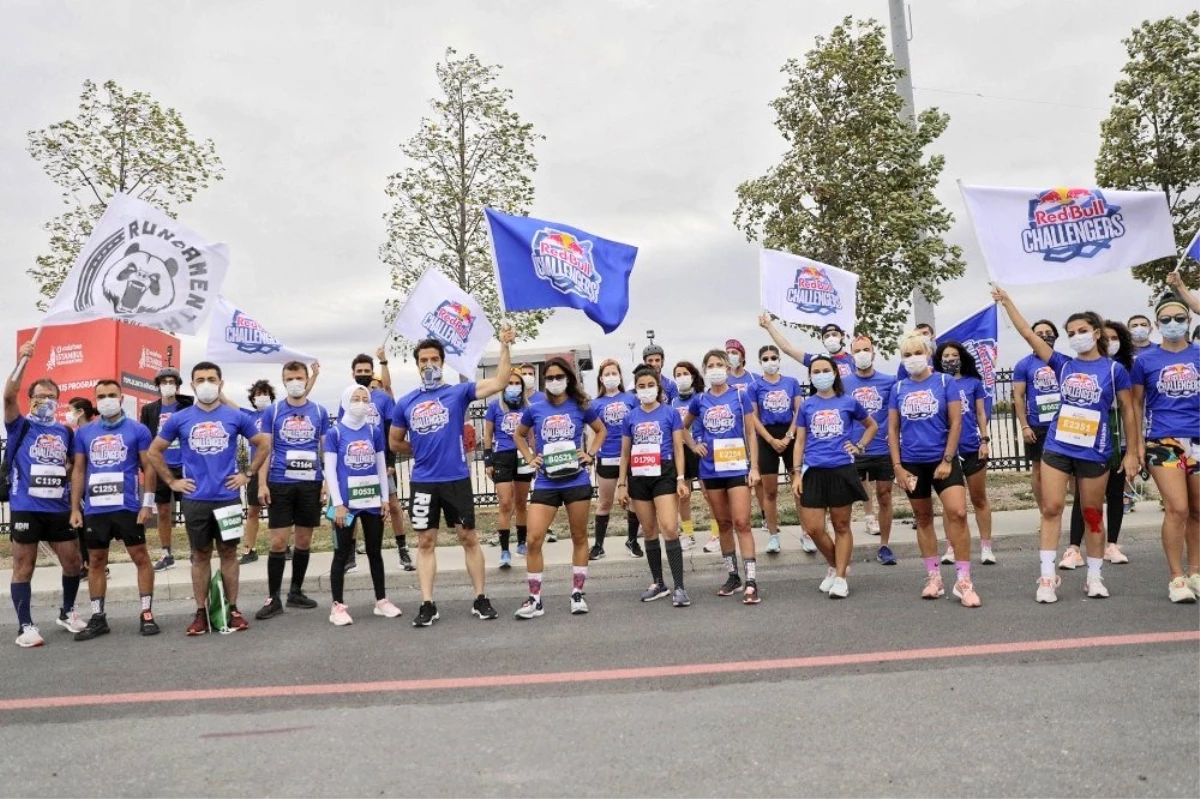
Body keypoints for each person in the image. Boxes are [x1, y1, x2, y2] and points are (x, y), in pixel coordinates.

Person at [992, 287, 1138, 603]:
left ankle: (1095, 578)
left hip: (1094, 451)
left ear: (1097, 333)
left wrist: (1133, 454)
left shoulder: (1115, 371)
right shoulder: (1064, 364)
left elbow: (1129, 411)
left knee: (1092, 514)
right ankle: (1047, 577)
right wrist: (1008, 303)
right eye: (1071, 332)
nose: (1076, 336)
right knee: (1051, 508)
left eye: (1082, 331)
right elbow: (1029, 336)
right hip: (1058, 447)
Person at [390, 328, 514, 627]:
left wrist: (504, 346)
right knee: (425, 542)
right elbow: (394, 442)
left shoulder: (458, 393)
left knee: (468, 538)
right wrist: (417, 449)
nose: (429, 364)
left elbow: (499, 382)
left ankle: (480, 598)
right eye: (423, 360)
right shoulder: (406, 402)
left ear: (442, 363)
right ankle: (428, 603)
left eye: (434, 359)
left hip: (456, 479)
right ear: (417, 365)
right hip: (423, 482)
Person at [148, 362, 271, 636]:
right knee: (199, 555)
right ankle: (201, 613)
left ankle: (233, 608)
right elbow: (154, 451)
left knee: (229, 553)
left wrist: (247, 474)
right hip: (195, 500)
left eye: (211, 378)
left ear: (220, 383)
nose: (206, 383)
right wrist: (172, 481)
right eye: (200, 379)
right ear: (192, 385)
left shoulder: (234, 416)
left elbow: (263, 443)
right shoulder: (180, 418)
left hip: (227, 498)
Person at [888, 330, 981, 607]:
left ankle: (964, 580)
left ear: (928, 354)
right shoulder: (898, 388)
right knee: (924, 518)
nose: (913, 358)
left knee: (958, 513)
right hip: (912, 463)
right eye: (907, 354)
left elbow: (956, 423)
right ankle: (933, 578)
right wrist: (898, 468)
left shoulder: (944, 382)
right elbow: (892, 430)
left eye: (918, 352)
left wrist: (947, 460)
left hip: (943, 461)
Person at [4, 341, 87, 646]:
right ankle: (25, 626)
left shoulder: (65, 432)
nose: (46, 401)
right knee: (24, 566)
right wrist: (23, 361)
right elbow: (8, 395)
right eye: (39, 397)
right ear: (30, 400)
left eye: (51, 397)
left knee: (73, 563)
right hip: (26, 506)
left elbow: (72, 467)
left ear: (59, 401)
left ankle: (67, 612)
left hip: (58, 508)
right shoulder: (19, 426)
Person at [513, 357, 607, 618]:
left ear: (568, 378)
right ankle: (534, 599)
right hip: (546, 482)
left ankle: (577, 593)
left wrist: (590, 454)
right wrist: (531, 457)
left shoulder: (580, 405)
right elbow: (518, 434)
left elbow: (601, 431)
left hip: (576, 480)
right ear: (545, 382)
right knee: (533, 539)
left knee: (579, 537)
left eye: (559, 377)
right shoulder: (536, 408)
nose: (554, 382)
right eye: (550, 378)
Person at [68, 380, 160, 639]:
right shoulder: (84, 433)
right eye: (101, 396)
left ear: (121, 399)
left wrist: (148, 503)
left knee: (140, 558)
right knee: (96, 561)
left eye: (111, 395)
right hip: (96, 509)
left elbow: (149, 467)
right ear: (95, 401)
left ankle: (147, 614)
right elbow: (78, 470)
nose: (106, 399)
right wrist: (75, 508)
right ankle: (98, 617)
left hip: (128, 507)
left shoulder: (138, 429)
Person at [1129, 283, 1200, 602]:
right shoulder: (1146, 361)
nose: (1174, 323)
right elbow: (1135, 406)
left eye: (1180, 317)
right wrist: (1137, 448)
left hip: (1198, 438)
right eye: (1167, 319)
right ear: (1157, 325)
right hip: (1163, 441)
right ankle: (1176, 578)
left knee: (1198, 510)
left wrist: (1182, 289)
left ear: (1189, 319)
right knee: (1178, 508)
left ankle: (1195, 572)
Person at [682, 349, 762, 603]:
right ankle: (733, 576)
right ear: (705, 370)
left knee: (742, 522)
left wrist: (755, 467)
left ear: (727, 369)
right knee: (724, 523)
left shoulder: (740, 395)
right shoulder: (699, 400)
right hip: (711, 469)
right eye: (710, 365)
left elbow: (751, 433)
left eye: (719, 364)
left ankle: (751, 579)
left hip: (737, 467)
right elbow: (682, 427)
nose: (715, 368)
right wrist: (694, 445)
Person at [792, 355, 875, 598]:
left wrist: (859, 446)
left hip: (841, 469)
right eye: (815, 371)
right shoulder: (806, 406)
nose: (820, 374)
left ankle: (840, 577)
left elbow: (871, 426)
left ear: (835, 372)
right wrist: (797, 473)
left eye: (825, 370)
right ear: (810, 377)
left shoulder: (848, 402)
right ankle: (836, 564)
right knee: (814, 527)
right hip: (813, 470)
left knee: (841, 525)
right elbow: (799, 441)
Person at [254, 361, 330, 621]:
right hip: (280, 482)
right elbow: (265, 450)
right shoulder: (273, 412)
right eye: (290, 378)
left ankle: (295, 592)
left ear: (306, 379)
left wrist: (327, 484)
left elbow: (326, 452)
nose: (295, 382)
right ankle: (273, 597)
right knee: (278, 541)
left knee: (304, 541)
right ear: (283, 381)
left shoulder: (319, 411)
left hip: (310, 483)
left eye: (299, 377)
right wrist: (262, 483)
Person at [325, 384, 403, 624]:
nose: (360, 402)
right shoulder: (335, 433)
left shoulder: (373, 431)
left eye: (364, 398)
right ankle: (337, 606)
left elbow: (381, 466)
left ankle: (381, 600)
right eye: (355, 398)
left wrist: (383, 499)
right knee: (341, 554)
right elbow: (329, 471)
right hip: (345, 505)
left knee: (374, 552)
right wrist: (338, 504)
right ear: (346, 401)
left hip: (371, 502)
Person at [1061, 321, 1134, 568]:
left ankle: (1111, 544)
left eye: (1116, 337)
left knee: (1115, 492)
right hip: (1089, 439)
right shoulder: (1080, 367)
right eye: (1108, 337)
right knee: (1084, 495)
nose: (1111, 342)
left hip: (1118, 437)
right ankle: (1073, 548)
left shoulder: (1122, 369)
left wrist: (1134, 449)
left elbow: (1131, 408)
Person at [617, 365, 691, 606]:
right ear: (635, 389)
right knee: (649, 531)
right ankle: (659, 583)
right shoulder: (630, 417)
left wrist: (680, 478)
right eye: (641, 386)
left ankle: (679, 586)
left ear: (658, 387)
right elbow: (625, 452)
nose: (646, 390)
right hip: (638, 476)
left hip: (664, 474)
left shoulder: (670, 413)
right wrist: (621, 484)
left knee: (669, 527)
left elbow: (679, 447)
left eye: (650, 385)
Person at [934, 341, 996, 565]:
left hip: (971, 447)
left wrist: (984, 440)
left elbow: (980, 413)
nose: (950, 359)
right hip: (945, 452)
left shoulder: (973, 382)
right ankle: (951, 546)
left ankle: (986, 547)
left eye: (954, 355)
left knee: (979, 498)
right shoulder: (937, 383)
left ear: (961, 357)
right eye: (946, 356)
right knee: (950, 505)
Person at [350, 352, 411, 571]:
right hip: (356, 462)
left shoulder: (383, 399)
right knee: (353, 507)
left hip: (380, 462)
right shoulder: (348, 397)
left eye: (367, 371)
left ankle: (402, 548)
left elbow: (390, 432)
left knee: (393, 505)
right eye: (360, 372)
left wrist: (391, 462)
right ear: (353, 374)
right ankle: (350, 553)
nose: (364, 375)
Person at [844, 335, 898, 565]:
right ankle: (843, 547)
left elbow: (896, 416)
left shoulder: (889, 381)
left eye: (867, 349)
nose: (863, 354)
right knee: (844, 501)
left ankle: (884, 546)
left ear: (874, 354)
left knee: (884, 497)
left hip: (881, 450)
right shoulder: (843, 383)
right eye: (858, 350)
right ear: (851, 355)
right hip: (852, 450)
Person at [749, 344, 803, 555]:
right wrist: (771, 440)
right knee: (770, 491)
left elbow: (799, 410)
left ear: (779, 359)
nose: (770, 361)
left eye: (774, 357)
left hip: (790, 435)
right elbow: (753, 416)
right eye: (766, 358)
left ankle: (806, 533)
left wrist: (789, 435)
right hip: (767, 437)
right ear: (760, 362)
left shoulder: (792, 382)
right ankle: (772, 535)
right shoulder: (754, 387)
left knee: (798, 489)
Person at [140, 367, 193, 573]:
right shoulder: (149, 410)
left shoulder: (186, 406)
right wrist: (145, 465)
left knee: (190, 510)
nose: (167, 385)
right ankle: (166, 553)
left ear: (178, 386)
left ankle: (194, 549)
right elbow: (145, 439)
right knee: (163, 510)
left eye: (171, 382)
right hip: (161, 466)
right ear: (158, 385)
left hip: (184, 464)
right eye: (164, 382)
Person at [483, 369, 534, 569]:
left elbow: (530, 436)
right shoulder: (495, 406)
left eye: (516, 383)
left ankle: (522, 543)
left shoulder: (527, 408)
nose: (513, 386)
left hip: (522, 456)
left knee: (521, 502)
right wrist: (488, 461)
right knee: (505, 503)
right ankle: (505, 550)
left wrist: (535, 457)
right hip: (502, 456)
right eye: (509, 383)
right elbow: (487, 435)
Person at [591, 359, 639, 560]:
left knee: (633, 503)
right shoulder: (595, 403)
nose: (611, 377)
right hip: (607, 458)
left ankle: (632, 540)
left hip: (630, 458)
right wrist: (590, 455)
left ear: (620, 376)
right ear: (601, 378)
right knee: (605, 503)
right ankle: (598, 545)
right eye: (607, 374)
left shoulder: (631, 399)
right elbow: (593, 432)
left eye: (614, 373)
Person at [1012, 320, 1061, 518]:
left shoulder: (1064, 361)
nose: (1044, 335)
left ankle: (1079, 515)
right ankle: (1045, 513)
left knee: (1074, 472)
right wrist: (1024, 426)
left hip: (1064, 424)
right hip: (1038, 425)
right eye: (1039, 333)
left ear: (1056, 335)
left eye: (1048, 332)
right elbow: (1018, 396)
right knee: (1039, 470)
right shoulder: (1024, 365)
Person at [238, 380, 276, 565]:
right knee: (253, 510)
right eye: (258, 394)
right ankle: (249, 549)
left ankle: (281, 546)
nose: (262, 397)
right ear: (253, 398)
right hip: (256, 467)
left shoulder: (278, 413)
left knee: (279, 511)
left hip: (276, 468)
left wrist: (314, 376)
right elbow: (229, 405)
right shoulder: (249, 416)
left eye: (265, 393)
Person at [671, 361, 705, 550]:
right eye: (678, 374)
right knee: (684, 495)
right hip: (681, 450)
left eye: (685, 373)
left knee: (708, 493)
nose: (682, 377)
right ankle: (689, 534)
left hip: (700, 448)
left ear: (693, 376)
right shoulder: (673, 401)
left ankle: (717, 533)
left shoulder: (701, 397)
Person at [760, 314, 854, 378]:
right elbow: (787, 348)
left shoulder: (854, 360)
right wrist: (769, 327)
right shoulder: (818, 360)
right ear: (823, 341)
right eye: (827, 336)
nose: (831, 338)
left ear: (842, 337)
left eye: (834, 334)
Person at [65, 397, 98, 577]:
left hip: (88, 487)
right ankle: (87, 563)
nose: (68, 414)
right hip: (80, 486)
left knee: (85, 528)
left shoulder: (85, 432)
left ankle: (91, 564)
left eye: (71, 410)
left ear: (81, 412)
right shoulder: (77, 432)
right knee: (80, 528)